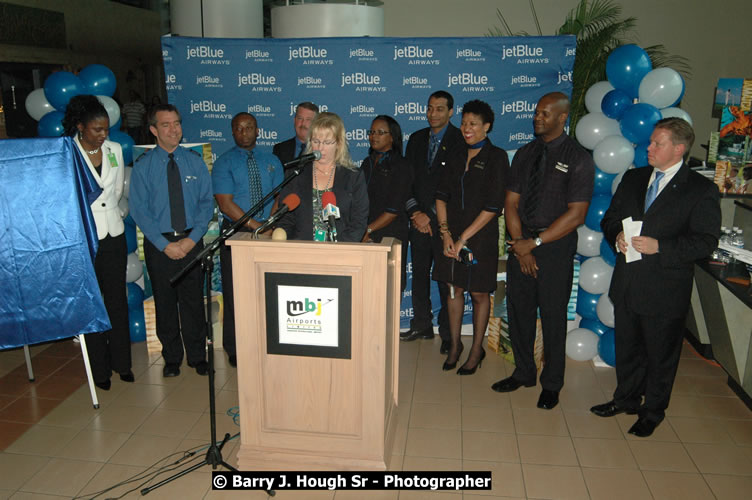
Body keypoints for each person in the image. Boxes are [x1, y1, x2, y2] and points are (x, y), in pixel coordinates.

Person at [591, 118, 721, 437]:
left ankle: (653, 411)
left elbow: (705, 242)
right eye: (650, 142)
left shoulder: (701, 190)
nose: (648, 148)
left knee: (661, 355)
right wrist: (617, 235)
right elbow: (609, 219)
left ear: (678, 149)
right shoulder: (635, 178)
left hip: (665, 288)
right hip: (628, 282)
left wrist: (660, 246)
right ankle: (627, 399)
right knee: (628, 348)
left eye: (657, 144)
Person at [491, 92, 594, 411]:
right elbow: (511, 202)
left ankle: (552, 384)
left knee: (552, 317)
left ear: (563, 118)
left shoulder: (578, 157)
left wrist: (534, 244)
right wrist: (521, 243)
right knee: (519, 313)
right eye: (537, 112)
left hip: (554, 248)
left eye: (546, 113)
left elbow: (576, 214)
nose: (538, 117)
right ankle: (524, 373)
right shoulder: (524, 153)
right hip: (522, 243)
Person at [129, 104, 214, 377]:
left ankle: (198, 356)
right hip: (159, 245)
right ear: (153, 130)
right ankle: (172, 359)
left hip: (191, 240)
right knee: (165, 303)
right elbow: (139, 210)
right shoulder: (143, 166)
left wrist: (191, 241)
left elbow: (205, 205)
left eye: (176, 123)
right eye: (166, 125)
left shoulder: (195, 161)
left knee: (192, 301)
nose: (173, 129)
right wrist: (165, 244)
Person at [63, 95, 133, 391]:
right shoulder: (67, 153)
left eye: (106, 129)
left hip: (113, 236)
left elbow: (115, 192)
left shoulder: (114, 150)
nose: (104, 135)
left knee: (116, 300)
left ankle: (123, 363)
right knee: (93, 303)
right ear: (80, 127)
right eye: (97, 130)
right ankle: (99, 369)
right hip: (85, 239)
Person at [433, 100, 508, 375]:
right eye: (464, 123)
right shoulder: (453, 155)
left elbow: (492, 207)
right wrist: (445, 235)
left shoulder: (497, 157)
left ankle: (476, 349)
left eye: (473, 124)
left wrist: (463, 239)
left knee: (478, 293)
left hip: (479, 238)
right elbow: (440, 197)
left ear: (487, 126)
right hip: (451, 236)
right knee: (453, 290)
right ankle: (455, 346)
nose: (467, 128)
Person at [212, 112, 283, 367]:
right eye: (239, 128)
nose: (244, 132)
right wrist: (255, 227)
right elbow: (225, 202)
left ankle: (267, 343)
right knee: (235, 293)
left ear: (258, 131)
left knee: (267, 293)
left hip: (269, 233)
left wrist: (269, 225)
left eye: (249, 127)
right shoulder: (224, 162)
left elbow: (279, 198)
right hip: (236, 233)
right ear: (232, 132)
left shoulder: (272, 160)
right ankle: (235, 348)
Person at [401, 90, 464, 353]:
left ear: (451, 112)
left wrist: (431, 214)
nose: (433, 113)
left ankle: (449, 332)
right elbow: (406, 180)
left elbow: (457, 185)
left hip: (445, 223)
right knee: (419, 277)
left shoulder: (460, 139)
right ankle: (422, 324)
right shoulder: (415, 139)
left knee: (444, 277)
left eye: (439, 109)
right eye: (429, 108)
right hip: (418, 221)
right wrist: (416, 213)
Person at [276, 112, 368, 242]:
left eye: (327, 142)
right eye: (316, 141)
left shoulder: (353, 177)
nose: (320, 148)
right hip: (301, 252)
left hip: (341, 254)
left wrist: (338, 251)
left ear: (339, 143)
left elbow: (358, 223)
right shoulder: (295, 174)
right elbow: (285, 220)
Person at [360, 115, 412, 291]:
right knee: (367, 287)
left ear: (392, 137)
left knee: (389, 287)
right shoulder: (367, 163)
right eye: (372, 132)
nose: (374, 136)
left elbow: (393, 209)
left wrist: (368, 231)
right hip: (366, 234)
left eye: (380, 132)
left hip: (390, 234)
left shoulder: (401, 165)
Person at [273, 101, 319, 170]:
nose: (303, 123)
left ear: (316, 123)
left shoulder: (321, 150)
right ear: (294, 120)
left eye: (308, 120)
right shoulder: (280, 149)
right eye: (300, 118)